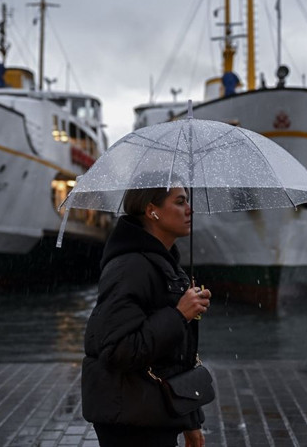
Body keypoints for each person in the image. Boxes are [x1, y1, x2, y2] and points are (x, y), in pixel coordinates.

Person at [82, 183, 213, 447]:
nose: (190, 209)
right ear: (152, 210)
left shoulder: (166, 266)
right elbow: (118, 349)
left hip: (151, 412)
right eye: (180, 202)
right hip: (129, 421)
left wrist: (190, 420)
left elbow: (175, 360)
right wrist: (178, 315)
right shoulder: (130, 267)